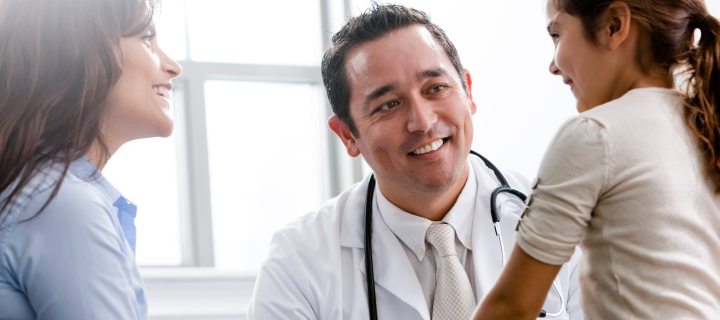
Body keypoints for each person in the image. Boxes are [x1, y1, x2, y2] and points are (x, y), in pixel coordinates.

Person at [248, 4, 583, 320]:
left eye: (436, 88)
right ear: (348, 135)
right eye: (388, 105)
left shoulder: (567, 221)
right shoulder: (297, 262)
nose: (422, 122)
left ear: (467, 90)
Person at [474, 0, 720, 319]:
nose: (553, 64)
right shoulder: (705, 125)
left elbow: (512, 306)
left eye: (557, 34)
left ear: (614, 26)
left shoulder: (595, 134)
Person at [0, 0, 182, 318]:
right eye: (146, 38)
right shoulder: (60, 202)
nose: (173, 66)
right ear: (79, 51)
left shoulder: (30, 185)